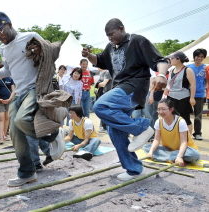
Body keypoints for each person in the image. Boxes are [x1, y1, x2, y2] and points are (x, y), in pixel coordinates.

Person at [0, 12, 65, 187]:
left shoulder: (30, 37)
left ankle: (52, 134)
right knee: (15, 133)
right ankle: (27, 172)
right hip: (18, 93)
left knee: (22, 120)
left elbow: (53, 52)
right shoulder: (3, 49)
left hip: (35, 87)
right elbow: (8, 70)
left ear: (10, 24)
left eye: (0, 31)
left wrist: (41, 50)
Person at [82, 18, 168, 181]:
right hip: (119, 87)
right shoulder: (110, 47)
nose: (110, 38)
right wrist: (89, 55)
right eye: (107, 36)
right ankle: (133, 169)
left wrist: (162, 75)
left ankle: (141, 127)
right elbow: (100, 60)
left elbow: (160, 60)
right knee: (114, 130)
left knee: (100, 106)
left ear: (121, 29)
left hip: (134, 86)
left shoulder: (137, 41)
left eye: (112, 34)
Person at [143, 99, 200, 166]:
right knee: (146, 147)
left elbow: (184, 142)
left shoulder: (180, 121)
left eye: (163, 109)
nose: (160, 112)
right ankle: (172, 158)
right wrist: (151, 152)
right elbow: (156, 139)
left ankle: (169, 157)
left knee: (194, 155)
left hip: (185, 150)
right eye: (158, 109)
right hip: (168, 149)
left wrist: (180, 156)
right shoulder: (158, 121)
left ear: (171, 109)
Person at [165, 51, 196, 135]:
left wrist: (192, 98)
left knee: (185, 118)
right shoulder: (171, 70)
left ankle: (188, 138)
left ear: (178, 59)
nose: (170, 60)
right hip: (171, 97)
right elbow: (168, 84)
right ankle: (176, 136)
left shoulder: (188, 70)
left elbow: (192, 84)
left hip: (183, 98)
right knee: (172, 118)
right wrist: (165, 94)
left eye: (172, 58)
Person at [186, 48, 207, 140]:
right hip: (187, 94)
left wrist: (205, 90)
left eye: (202, 57)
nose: (199, 58)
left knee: (198, 115)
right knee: (184, 114)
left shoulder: (206, 68)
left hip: (200, 95)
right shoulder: (188, 67)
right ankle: (185, 133)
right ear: (194, 57)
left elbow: (207, 81)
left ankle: (197, 133)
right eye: (198, 56)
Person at [0, 76, 15, 144]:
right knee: (1, 118)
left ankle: (5, 134)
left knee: (7, 118)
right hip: (0, 101)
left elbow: (13, 90)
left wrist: (9, 99)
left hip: (9, 101)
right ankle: (0, 137)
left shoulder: (10, 79)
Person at [95, 68, 112, 133]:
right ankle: (104, 127)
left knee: (105, 111)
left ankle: (106, 127)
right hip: (104, 94)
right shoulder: (102, 73)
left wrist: (98, 84)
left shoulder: (107, 72)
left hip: (107, 94)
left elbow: (104, 83)